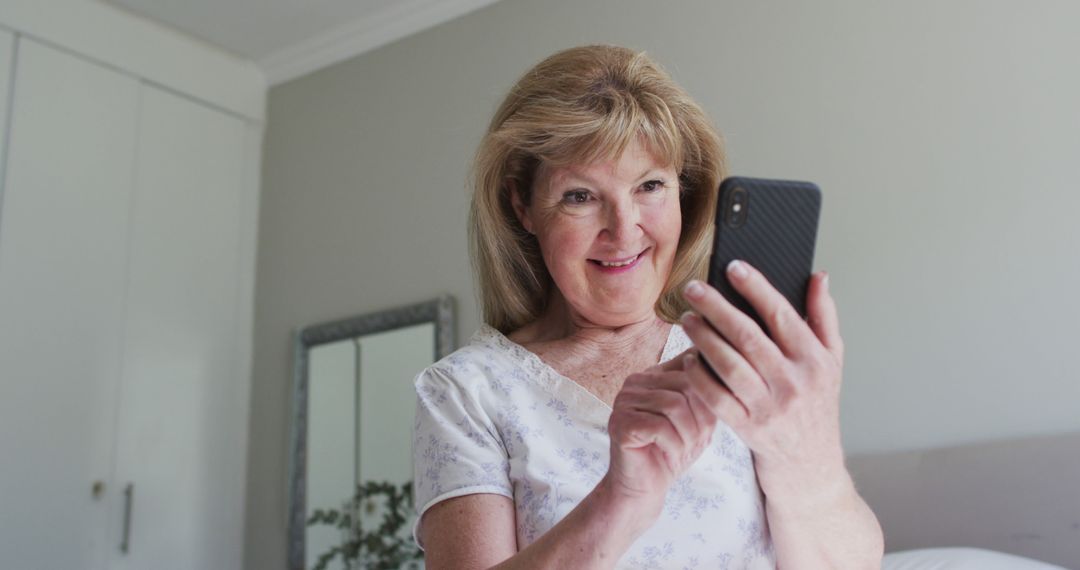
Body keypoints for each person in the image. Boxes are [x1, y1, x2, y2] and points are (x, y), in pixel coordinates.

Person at [411, 45, 883, 569]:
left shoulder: (740, 362)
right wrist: (623, 500)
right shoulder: (466, 391)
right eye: (580, 196)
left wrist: (808, 451)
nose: (624, 229)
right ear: (523, 205)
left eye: (651, 186)